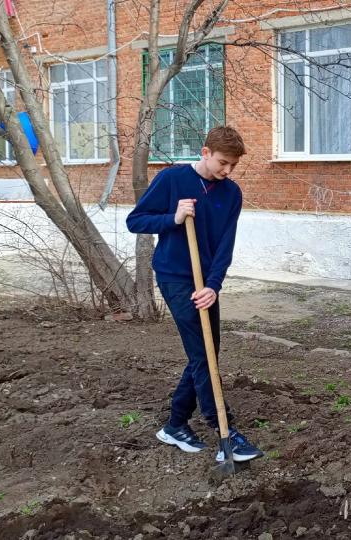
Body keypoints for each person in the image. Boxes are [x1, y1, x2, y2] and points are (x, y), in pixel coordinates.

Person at [125, 126, 262, 463]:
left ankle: (175, 425)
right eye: (222, 163)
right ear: (205, 152)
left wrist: (213, 285)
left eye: (232, 166)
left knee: (207, 351)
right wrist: (173, 217)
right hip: (174, 276)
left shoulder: (231, 193)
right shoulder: (172, 180)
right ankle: (224, 430)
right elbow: (135, 220)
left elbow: (225, 246)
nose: (227, 171)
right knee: (204, 354)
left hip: (205, 283)